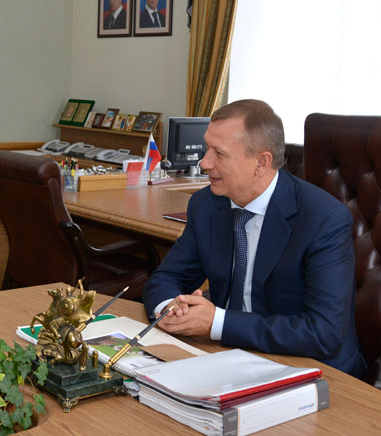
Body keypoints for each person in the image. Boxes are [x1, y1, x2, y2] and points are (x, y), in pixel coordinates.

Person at [143, 100, 366, 377]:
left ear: (261, 162)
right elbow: (167, 277)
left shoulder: (324, 219)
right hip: (228, 356)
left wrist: (217, 323)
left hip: (313, 369)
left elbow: (323, 333)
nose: (204, 162)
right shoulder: (206, 204)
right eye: (207, 147)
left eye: (219, 153)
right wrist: (170, 308)